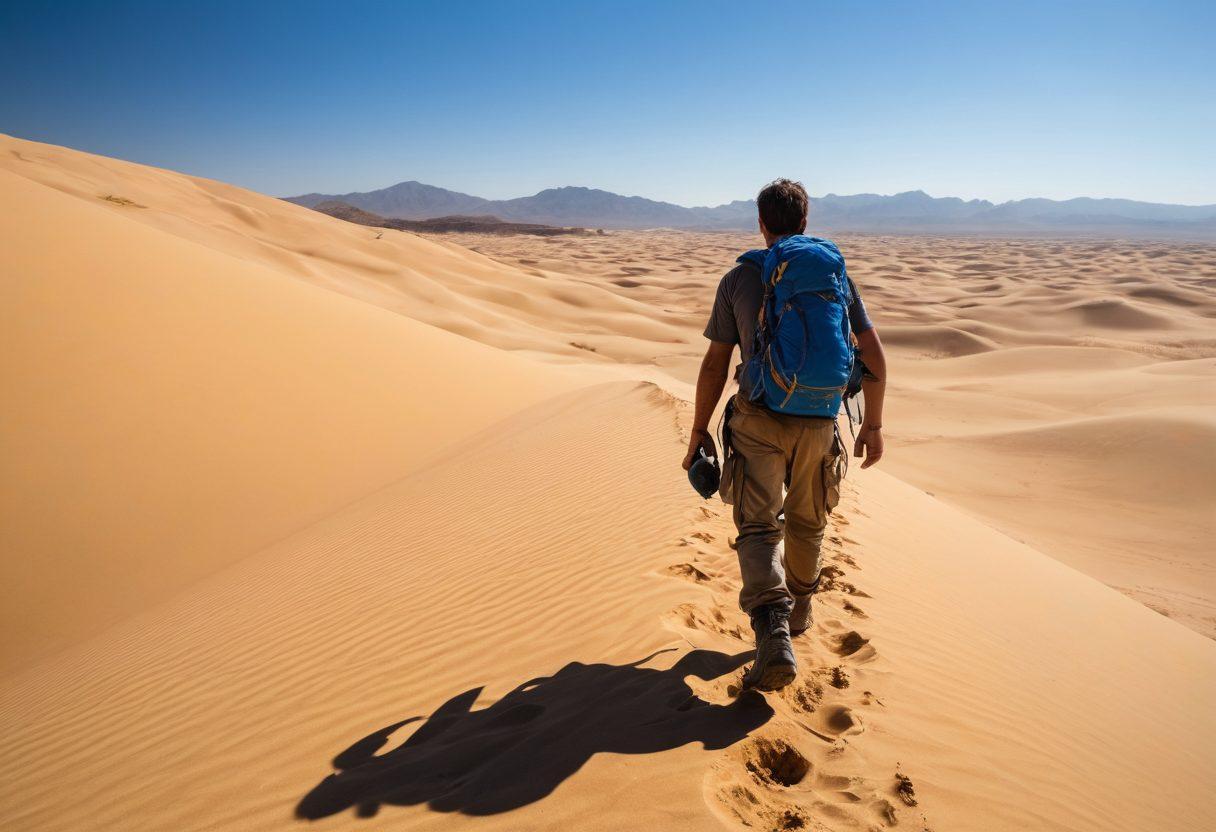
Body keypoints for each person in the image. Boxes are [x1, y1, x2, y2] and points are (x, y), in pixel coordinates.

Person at [682, 179, 888, 692]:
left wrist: (698, 431)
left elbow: (715, 363)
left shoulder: (739, 278)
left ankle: (772, 628)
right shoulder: (833, 276)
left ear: (760, 223)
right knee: (807, 520)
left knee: (756, 525)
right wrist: (874, 427)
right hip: (819, 419)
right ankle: (799, 608)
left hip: (757, 418)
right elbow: (875, 357)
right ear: (804, 221)